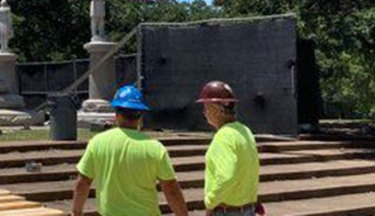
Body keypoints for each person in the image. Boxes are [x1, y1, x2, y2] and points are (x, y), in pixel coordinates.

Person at [71, 85, 189, 216]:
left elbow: (83, 183)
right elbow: (171, 189)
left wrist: (76, 212)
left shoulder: (98, 142)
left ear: (116, 113)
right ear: (140, 116)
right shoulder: (155, 148)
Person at [198, 81, 261, 216]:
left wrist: (210, 203)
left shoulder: (223, 137)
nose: (204, 112)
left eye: (206, 107)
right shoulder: (245, 131)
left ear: (216, 109)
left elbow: (225, 177)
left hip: (227, 211)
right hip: (248, 209)